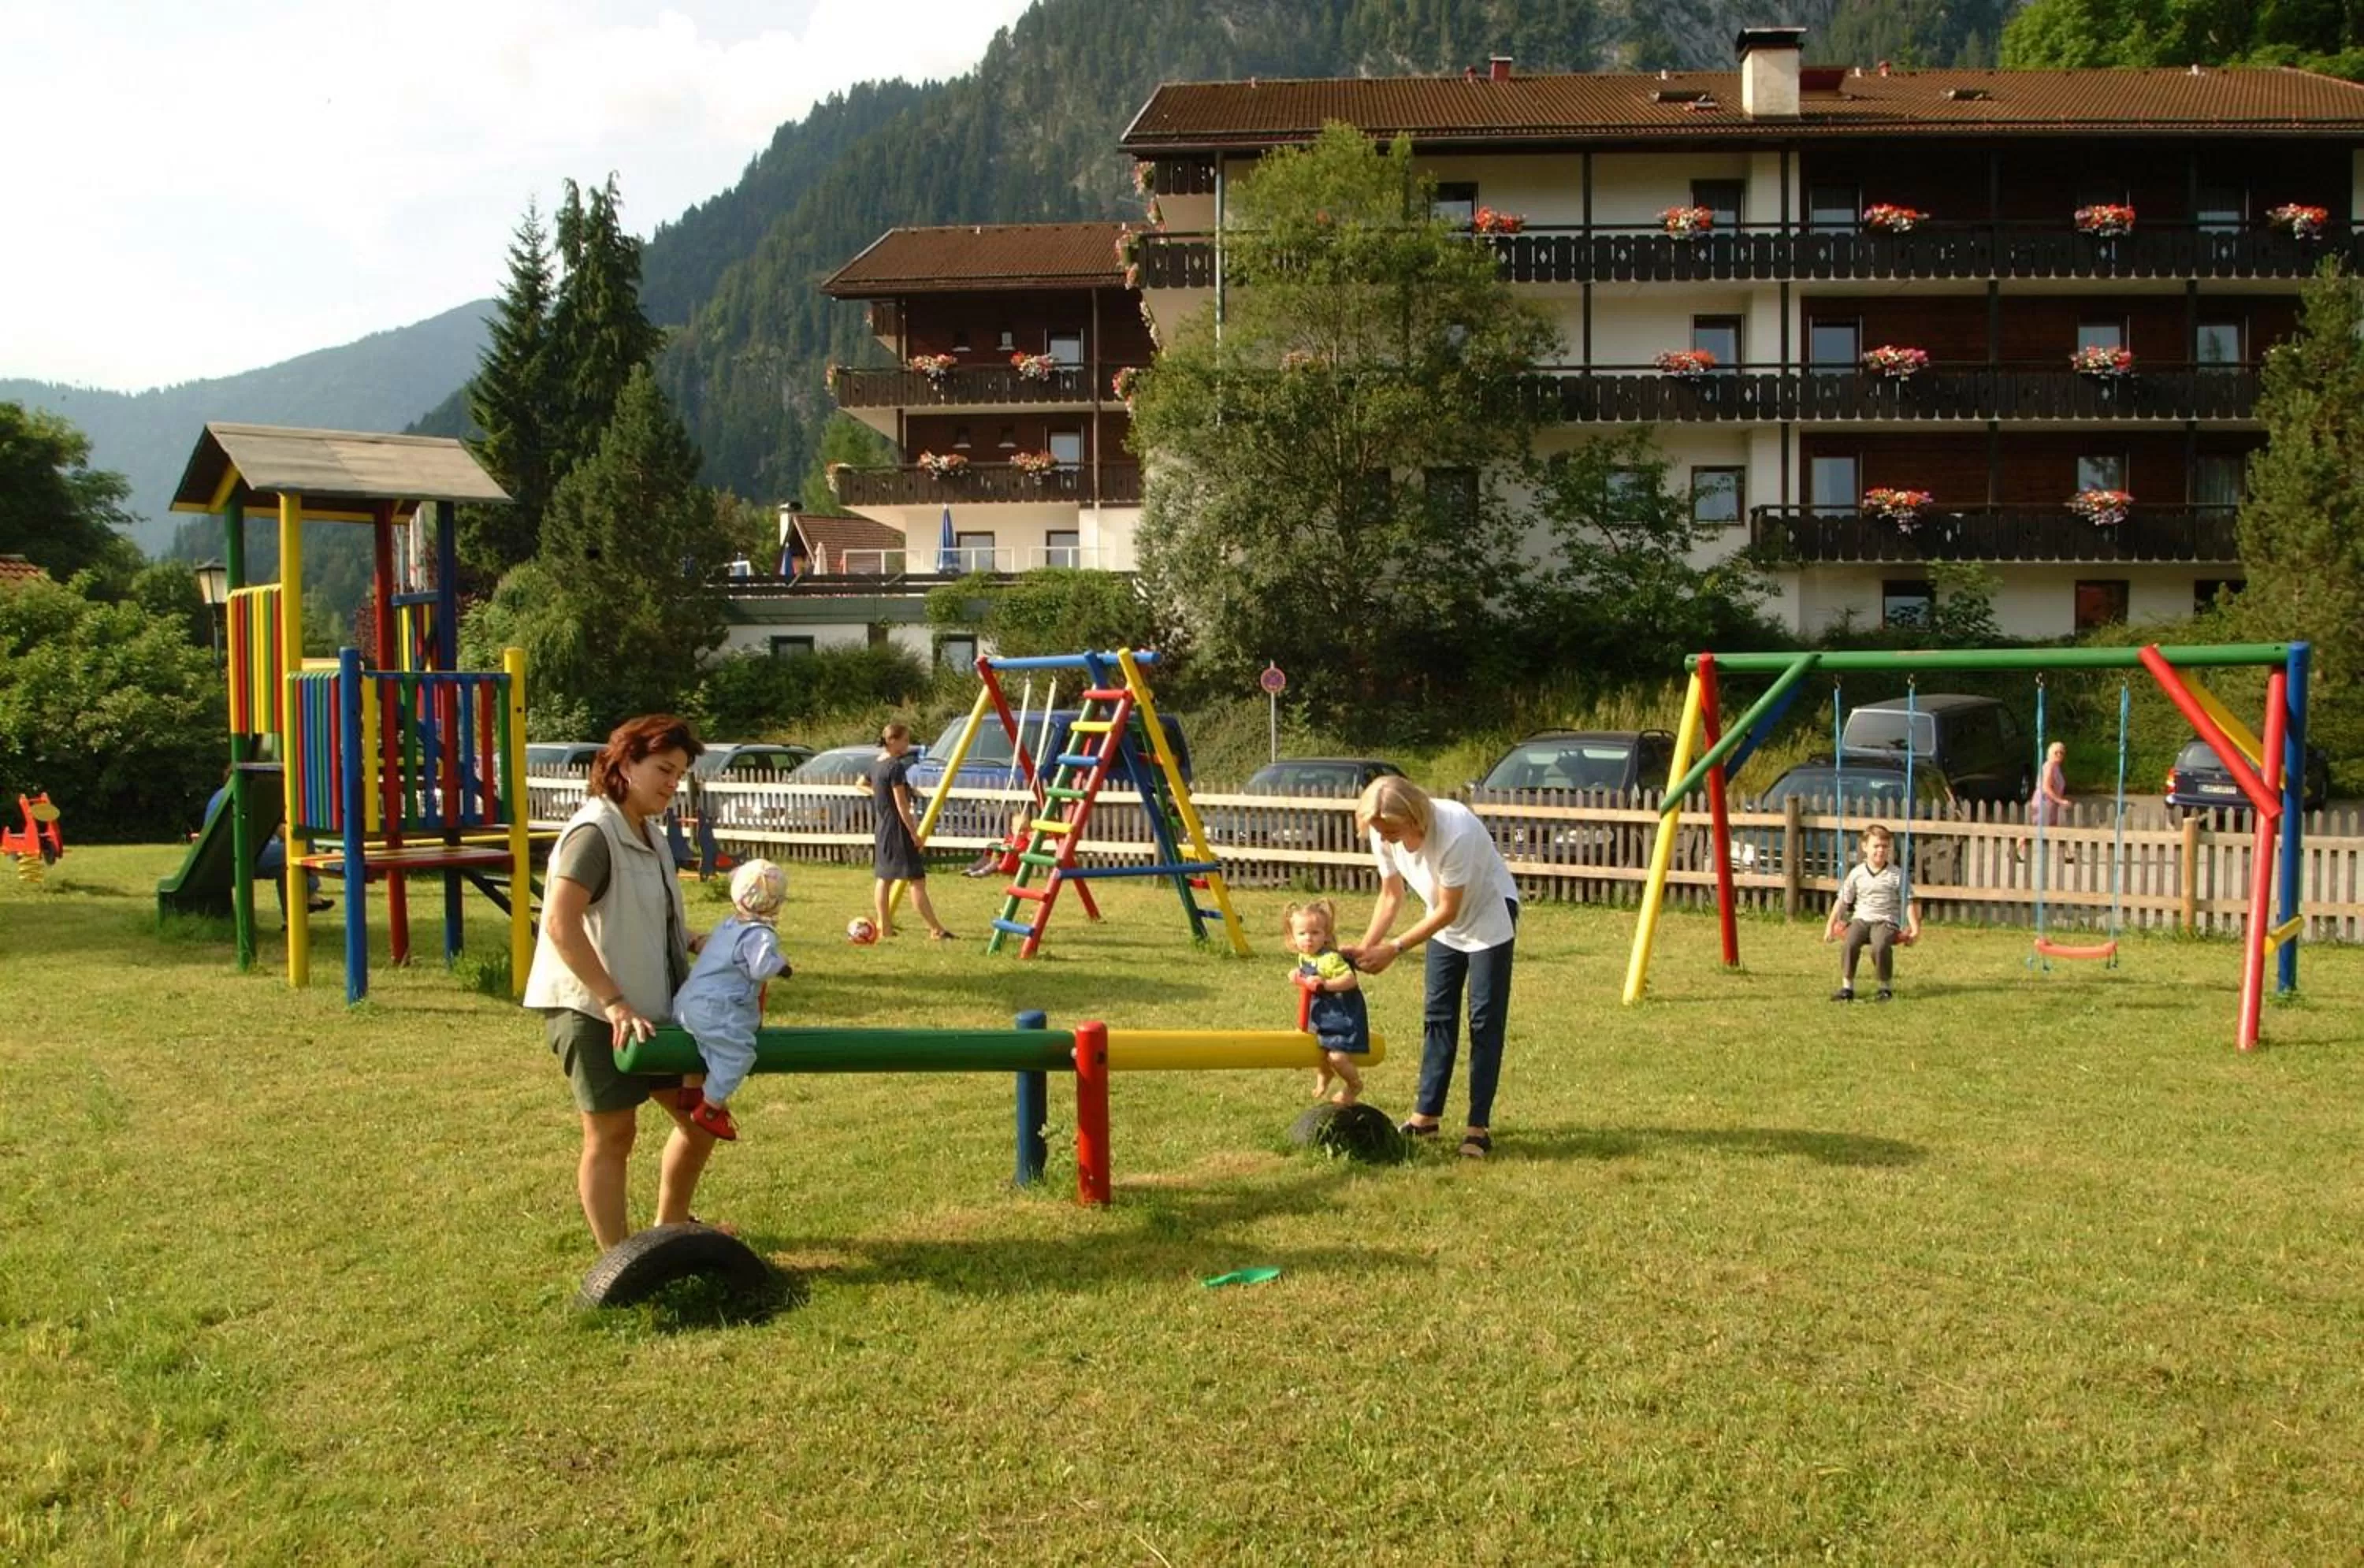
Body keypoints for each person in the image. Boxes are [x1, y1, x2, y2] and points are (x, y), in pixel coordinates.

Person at [522, 714, 719, 1252]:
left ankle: (669, 1232)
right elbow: (559, 923)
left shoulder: (650, 833)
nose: (672, 784)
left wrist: (696, 940)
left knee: (701, 1121)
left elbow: (636, 917)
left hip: (651, 1015)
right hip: (591, 1011)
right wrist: (612, 1001)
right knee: (612, 1135)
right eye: (663, 770)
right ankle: (619, 1262)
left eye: (679, 774)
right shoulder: (594, 832)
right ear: (626, 763)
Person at [1345, 776, 1520, 1160]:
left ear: (1414, 817)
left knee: (1484, 1020)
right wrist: (1367, 946)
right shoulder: (1381, 828)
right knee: (1437, 1014)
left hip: (1488, 915)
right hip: (1441, 922)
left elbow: (1449, 910)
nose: (1385, 838)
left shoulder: (1456, 830)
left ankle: (1478, 1128)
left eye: (1391, 831)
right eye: (1380, 832)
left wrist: (1395, 948)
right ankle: (1426, 1117)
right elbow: (1391, 896)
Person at [671, 858, 791, 1143]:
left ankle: (691, 1090)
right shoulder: (760, 935)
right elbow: (760, 967)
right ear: (777, 903)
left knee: (700, 1042)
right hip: (715, 1009)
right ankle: (711, 1107)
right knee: (738, 1055)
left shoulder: (728, 926)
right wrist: (782, 965)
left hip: (686, 1001)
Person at [868, 721, 953, 940]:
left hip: (882, 827)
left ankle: (885, 927)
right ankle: (936, 929)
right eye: (904, 740)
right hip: (898, 828)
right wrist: (914, 833)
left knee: (884, 878)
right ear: (892, 741)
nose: (907, 744)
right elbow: (902, 804)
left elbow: (869, 787)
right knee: (916, 880)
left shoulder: (876, 764)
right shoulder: (895, 767)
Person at [202, 780, 330, 923]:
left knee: (291, 853)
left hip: (222, 857)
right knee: (297, 848)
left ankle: (298, 911)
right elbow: (273, 830)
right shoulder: (242, 797)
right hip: (242, 857)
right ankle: (307, 898)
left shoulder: (220, 797)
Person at [1824, 823, 1921, 1002]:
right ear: (1865, 847)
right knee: (1850, 943)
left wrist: (1915, 929)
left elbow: (1908, 902)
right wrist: (1830, 925)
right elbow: (1843, 901)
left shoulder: (1896, 874)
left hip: (1886, 920)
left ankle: (1885, 988)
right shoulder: (1857, 873)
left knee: (1880, 945)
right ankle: (1847, 987)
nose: (1880, 850)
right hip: (1861, 919)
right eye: (1876, 846)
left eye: (1885, 846)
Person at [1285, 899, 1368, 1105]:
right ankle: (1325, 1073)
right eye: (1302, 933)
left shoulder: (1331, 959)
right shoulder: (1305, 956)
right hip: (1321, 1013)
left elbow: (1350, 980)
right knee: (1317, 1048)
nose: (1308, 938)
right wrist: (1297, 974)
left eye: (1315, 933)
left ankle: (1354, 1084)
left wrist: (1326, 984)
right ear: (1293, 937)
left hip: (1342, 1016)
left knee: (1337, 1057)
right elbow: (1306, 974)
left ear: (1327, 935)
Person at [2030, 741, 2074, 861]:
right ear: (2049, 754)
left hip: (2051, 804)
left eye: (2061, 753)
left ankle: (2067, 854)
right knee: (2035, 829)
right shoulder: (2049, 766)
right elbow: (2046, 788)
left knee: (2059, 828)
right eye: (2056, 752)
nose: (2059, 755)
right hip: (2044, 803)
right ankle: (2016, 849)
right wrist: (2060, 801)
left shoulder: (2056, 767)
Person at [965, 809, 1030, 878]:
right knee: (986, 858)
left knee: (994, 863)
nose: (1022, 833)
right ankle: (972, 868)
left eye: (1025, 830)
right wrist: (1002, 846)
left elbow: (1021, 849)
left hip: (1009, 864)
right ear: (1012, 829)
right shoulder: (1009, 838)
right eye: (1019, 830)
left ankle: (981, 872)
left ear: (1028, 830)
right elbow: (1003, 846)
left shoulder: (1025, 841)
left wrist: (1012, 848)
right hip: (1001, 858)